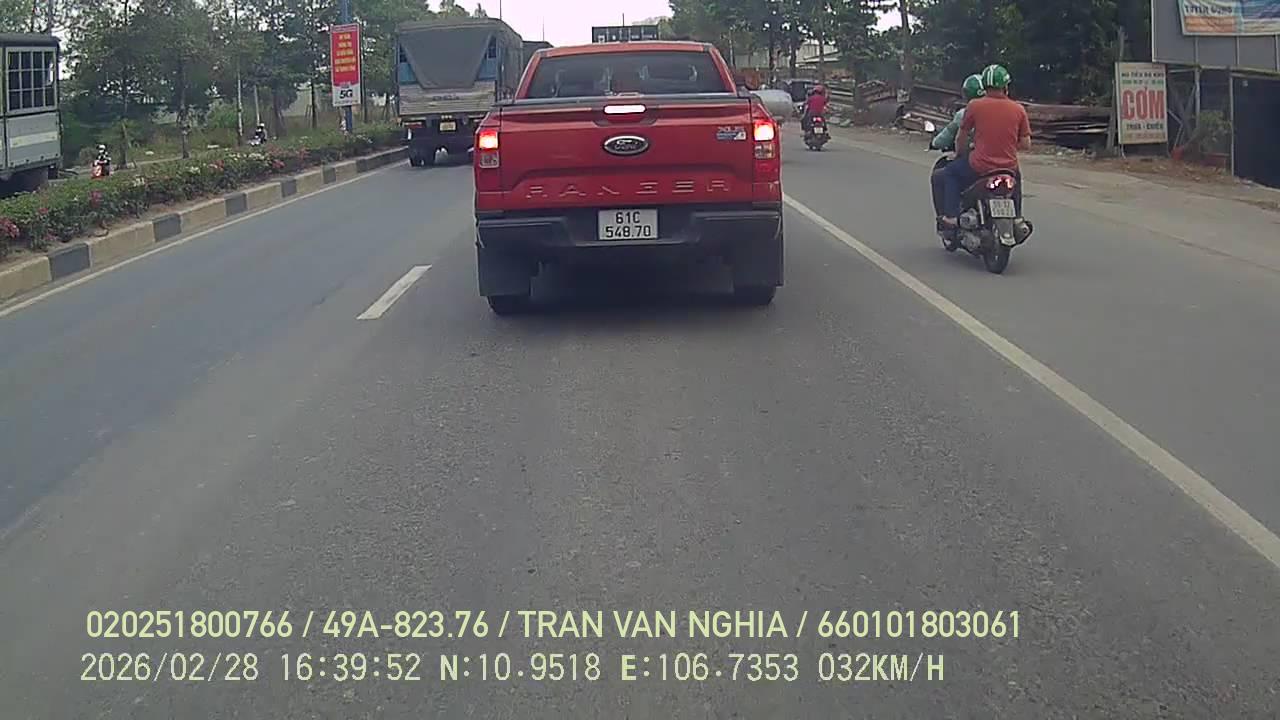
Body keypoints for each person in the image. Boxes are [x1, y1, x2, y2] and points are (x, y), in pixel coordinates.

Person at [939, 64, 1031, 227]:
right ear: (1005, 86)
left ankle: (951, 217)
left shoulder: (975, 106)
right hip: (1008, 167)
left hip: (980, 166)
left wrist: (959, 154)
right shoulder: (1019, 109)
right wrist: (1006, 145)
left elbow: (961, 137)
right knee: (1017, 178)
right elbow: (1026, 144)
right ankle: (1017, 217)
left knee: (951, 172)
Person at [929, 73, 985, 217]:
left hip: (977, 162)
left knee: (945, 174)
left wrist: (935, 143)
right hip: (1004, 163)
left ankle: (950, 217)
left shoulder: (965, 113)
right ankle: (1017, 216)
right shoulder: (1005, 110)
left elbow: (949, 138)